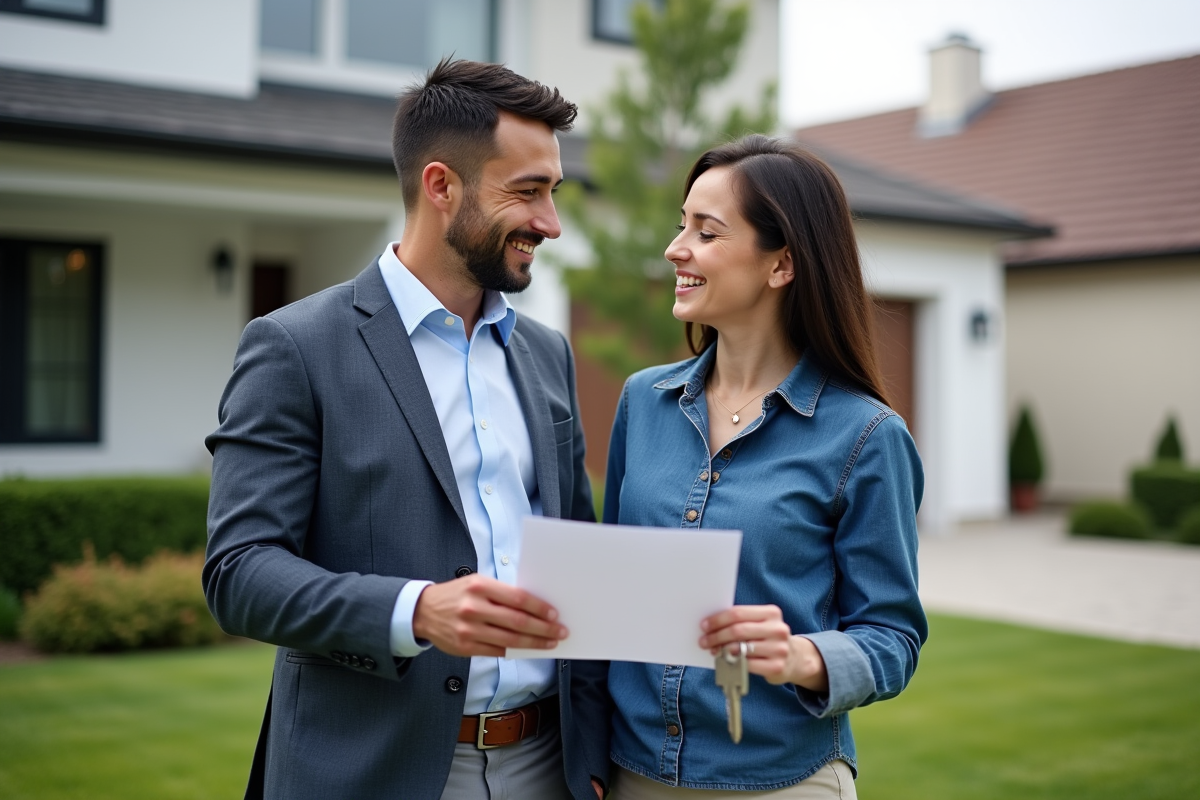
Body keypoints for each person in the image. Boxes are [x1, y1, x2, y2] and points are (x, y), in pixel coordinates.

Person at [203, 59, 609, 800]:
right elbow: (240, 572)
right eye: (529, 192)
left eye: (553, 192)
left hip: (549, 764)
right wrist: (414, 611)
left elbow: (575, 556)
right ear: (440, 186)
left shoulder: (547, 354)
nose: (550, 223)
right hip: (376, 770)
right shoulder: (295, 347)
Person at [602, 135, 927, 799]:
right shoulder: (643, 402)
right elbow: (611, 597)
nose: (675, 249)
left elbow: (893, 637)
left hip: (783, 782)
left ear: (781, 265)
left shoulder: (866, 436)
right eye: (680, 225)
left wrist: (802, 655)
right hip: (629, 774)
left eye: (707, 232)